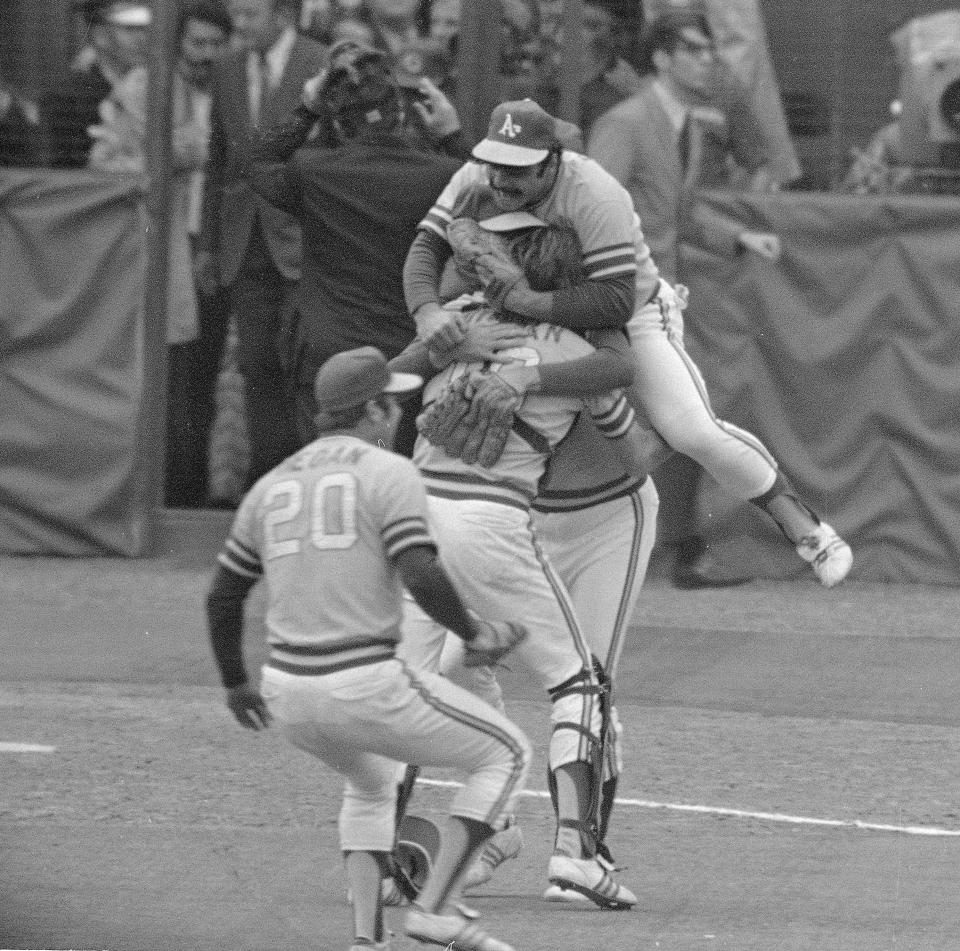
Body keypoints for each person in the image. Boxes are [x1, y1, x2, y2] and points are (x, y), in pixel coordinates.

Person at [205, 344, 531, 951]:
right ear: (376, 407)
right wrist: (474, 633)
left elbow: (223, 597)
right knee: (506, 754)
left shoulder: (273, 483)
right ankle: (436, 911)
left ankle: (365, 941)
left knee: (373, 783)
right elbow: (420, 571)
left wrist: (234, 683)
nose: (400, 413)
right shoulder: (389, 471)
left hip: (287, 693)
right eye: (394, 401)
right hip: (364, 680)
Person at [403, 199, 667, 902]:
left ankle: (383, 848)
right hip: (491, 522)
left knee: (417, 680)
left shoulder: (461, 322)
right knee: (578, 683)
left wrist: (439, 345)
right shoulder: (579, 351)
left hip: (413, 518)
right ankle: (576, 856)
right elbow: (636, 458)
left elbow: (386, 382)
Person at [588, 12, 854, 588]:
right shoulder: (627, 122)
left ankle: (683, 549)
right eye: (693, 50)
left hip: (649, 304)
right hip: (620, 308)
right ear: (660, 58)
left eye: (711, 50)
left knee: (675, 428)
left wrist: (737, 238)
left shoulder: (677, 124)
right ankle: (793, 532)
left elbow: (672, 211)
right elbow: (585, 216)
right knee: (677, 426)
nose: (708, 60)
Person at [242, 39, 465, 457]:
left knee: (334, 468)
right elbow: (491, 191)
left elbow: (258, 160)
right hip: (408, 355)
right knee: (394, 476)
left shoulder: (314, 170)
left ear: (338, 123)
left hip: (328, 353)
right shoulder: (443, 174)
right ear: (403, 115)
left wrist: (306, 108)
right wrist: (451, 134)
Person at [86, 0, 233, 509]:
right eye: (197, 43)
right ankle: (168, 491)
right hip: (160, 249)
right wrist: (190, 147)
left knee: (209, 374)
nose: (206, 55)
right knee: (171, 376)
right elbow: (109, 160)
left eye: (216, 44)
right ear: (177, 44)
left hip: (219, 244)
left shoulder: (238, 89)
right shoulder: (143, 87)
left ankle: (198, 489)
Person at [198, 0, 327, 488]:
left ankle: (308, 483)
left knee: (305, 367)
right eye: (236, 15)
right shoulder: (228, 66)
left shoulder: (321, 62)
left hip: (306, 241)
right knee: (254, 363)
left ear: (283, 14)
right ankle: (270, 486)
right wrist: (209, 244)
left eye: (250, 15)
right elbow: (217, 159)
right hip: (243, 240)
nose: (239, 25)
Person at [43, 0, 151, 169]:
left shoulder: (156, 88)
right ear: (100, 35)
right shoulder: (68, 98)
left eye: (145, 28)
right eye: (129, 29)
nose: (142, 38)